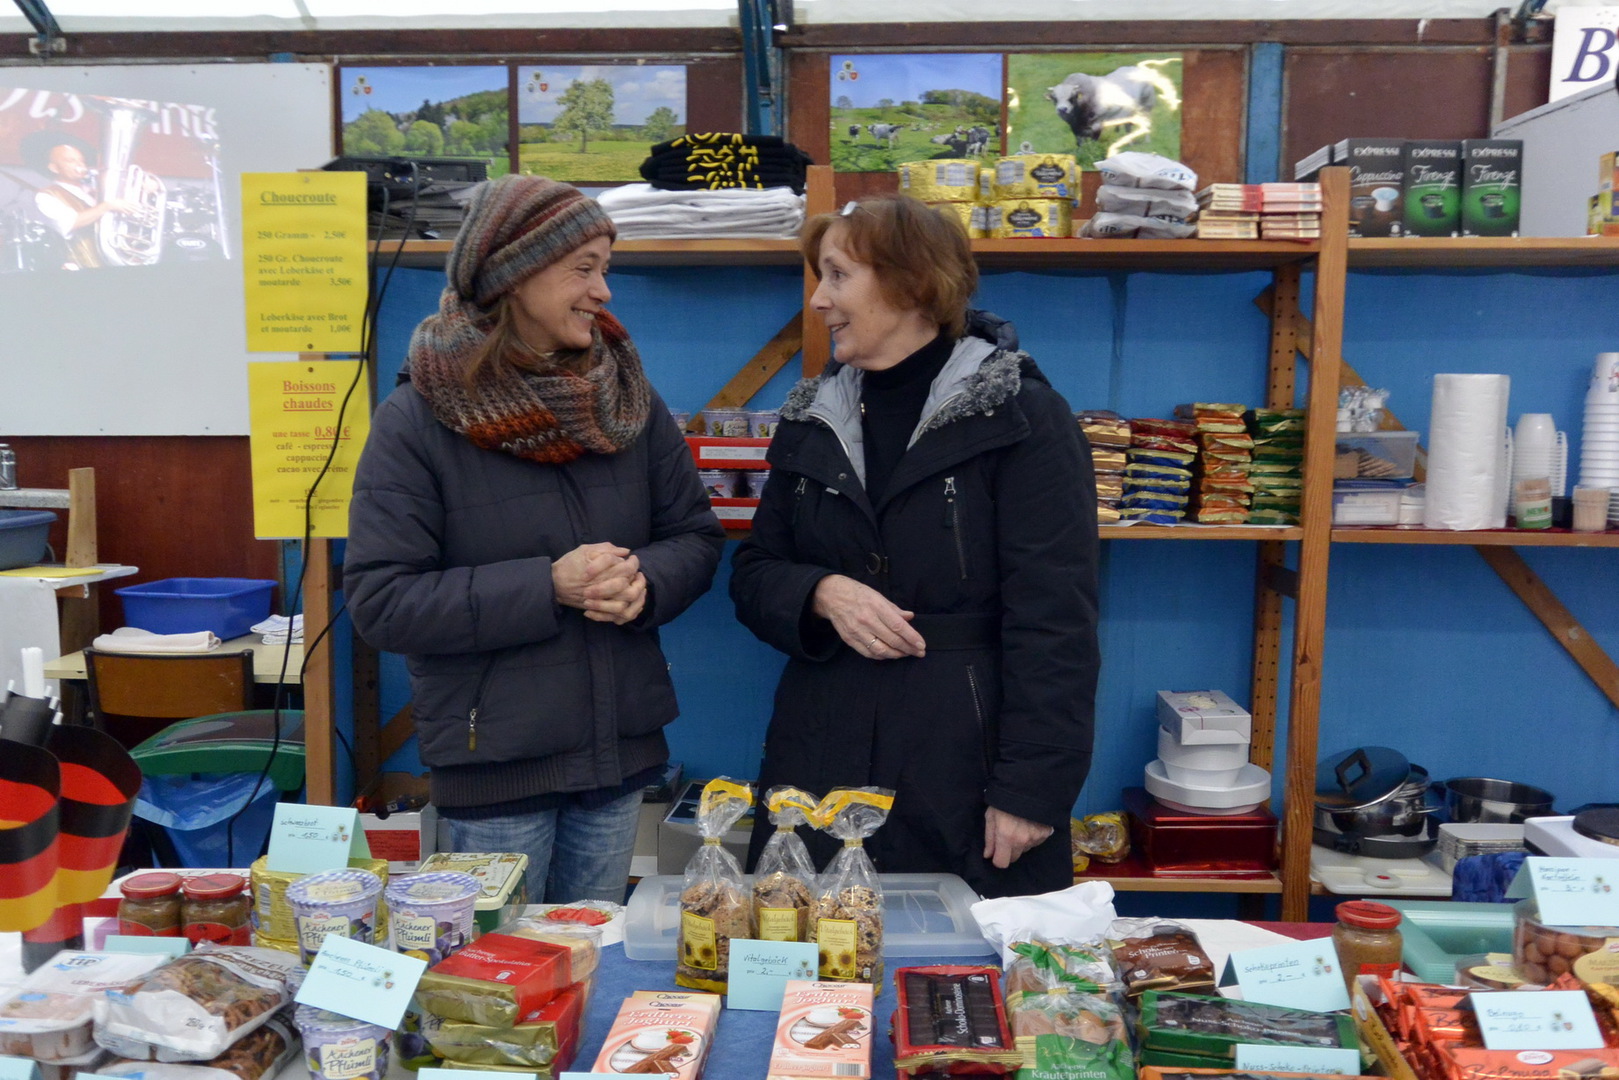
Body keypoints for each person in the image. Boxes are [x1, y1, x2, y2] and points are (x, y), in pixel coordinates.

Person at [345, 174, 725, 904]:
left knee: (593, 955)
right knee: (501, 967)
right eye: (583, 269)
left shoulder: (626, 400)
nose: (602, 292)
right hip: (494, 770)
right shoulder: (416, 420)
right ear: (513, 275)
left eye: (605, 269)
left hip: (617, 759)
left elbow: (693, 538)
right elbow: (382, 602)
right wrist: (548, 586)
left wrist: (644, 582)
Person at [731, 194, 1100, 899]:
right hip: (821, 753)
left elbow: (1056, 620)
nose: (819, 300)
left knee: (965, 959)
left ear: (910, 283)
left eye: (838, 276)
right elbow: (754, 572)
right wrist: (819, 592)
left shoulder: (1023, 418)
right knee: (811, 948)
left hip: (964, 759)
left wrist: (1032, 789)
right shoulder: (812, 418)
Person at [26, 133, 137, 269]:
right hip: (83, 266)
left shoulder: (94, 192)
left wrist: (144, 189)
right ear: (54, 168)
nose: (79, 165)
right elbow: (71, 223)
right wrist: (106, 206)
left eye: (81, 161)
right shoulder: (46, 196)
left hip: (115, 264)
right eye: (70, 161)